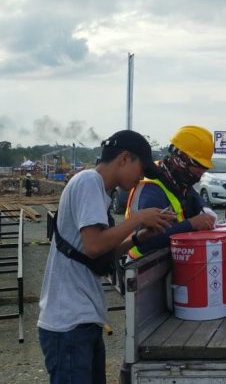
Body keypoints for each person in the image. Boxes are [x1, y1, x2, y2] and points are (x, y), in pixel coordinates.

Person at [38, 130, 177, 384]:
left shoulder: (98, 191)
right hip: (69, 324)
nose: (141, 178)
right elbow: (93, 245)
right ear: (124, 158)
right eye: (141, 169)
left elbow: (99, 252)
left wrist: (136, 238)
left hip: (81, 321)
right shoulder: (89, 181)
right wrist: (137, 218)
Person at [125, 125, 218, 259]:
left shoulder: (175, 178)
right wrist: (191, 224)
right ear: (181, 159)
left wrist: (205, 208)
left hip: (168, 261)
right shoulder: (151, 189)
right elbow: (148, 240)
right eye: (197, 171)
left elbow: (192, 195)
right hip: (144, 266)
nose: (199, 177)